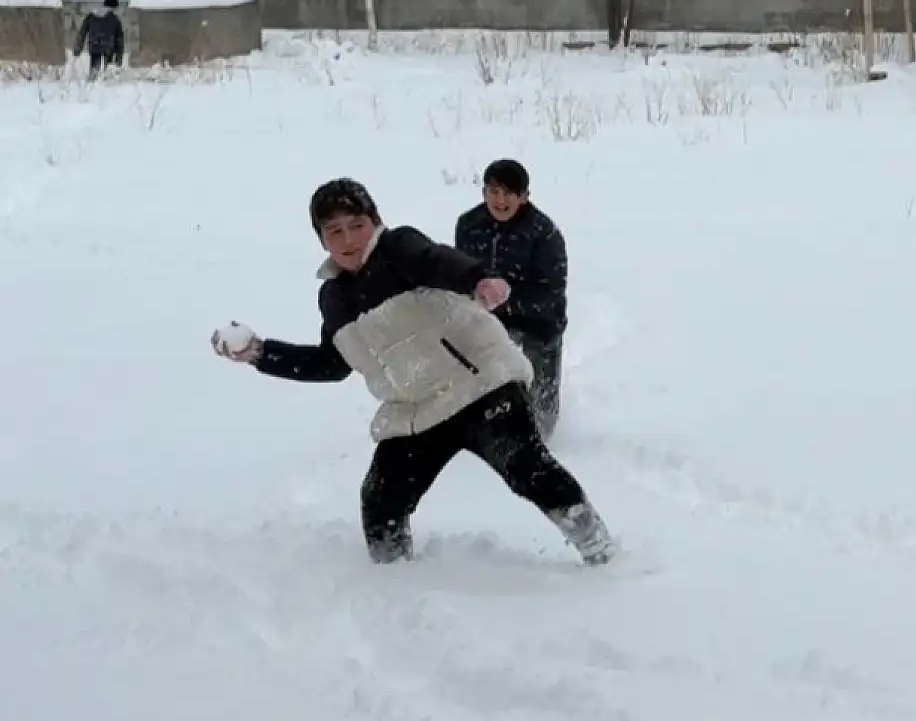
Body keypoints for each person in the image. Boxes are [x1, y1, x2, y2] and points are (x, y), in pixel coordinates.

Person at [211, 177, 616, 567]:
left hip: (482, 386)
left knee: (527, 468)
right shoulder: (333, 298)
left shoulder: (398, 248)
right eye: (334, 231)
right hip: (419, 412)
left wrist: (477, 279)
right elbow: (331, 364)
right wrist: (260, 354)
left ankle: (597, 546)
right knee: (380, 499)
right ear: (320, 239)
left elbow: (436, 260)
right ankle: (397, 580)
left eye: (357, 225)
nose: (349, 240)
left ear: (375, 221)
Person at [454, 159, 568, 443]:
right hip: (486, 321)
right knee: (480, 382)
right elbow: (460, 271)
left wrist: (506, 296)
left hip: (539, 325)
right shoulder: (469, 225)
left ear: (524, 197)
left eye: (508, 193)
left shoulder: (544, 234)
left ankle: (540, 442)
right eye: (493, 191)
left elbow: (551, 292)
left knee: (539, 402)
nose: (499, 200)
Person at [72, 0, 124, 78]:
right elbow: (119, 40)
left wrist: (78, 48)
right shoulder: (115, 19)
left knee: (94, 71)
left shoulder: (91, 16)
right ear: (114, 7)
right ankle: (106, 81)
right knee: (108, 73)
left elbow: (82, 32)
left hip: (94, 45)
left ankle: (93, 80)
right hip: (109, 47)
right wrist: (119, 59)